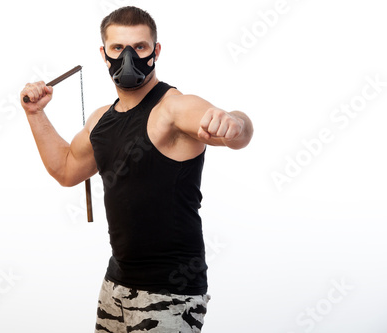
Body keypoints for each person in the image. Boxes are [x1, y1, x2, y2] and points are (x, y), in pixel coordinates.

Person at [21, 6, 253, 333]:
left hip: (169, 290)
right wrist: (35, 114)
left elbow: (237, 132)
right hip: (116, 283)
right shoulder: (101, 120)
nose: (128, 56)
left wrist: (235, 122)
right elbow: (66, 170)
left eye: (140, 47)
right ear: (104, 54)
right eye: (118, 48)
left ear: (155, 51)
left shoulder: (174, 108)